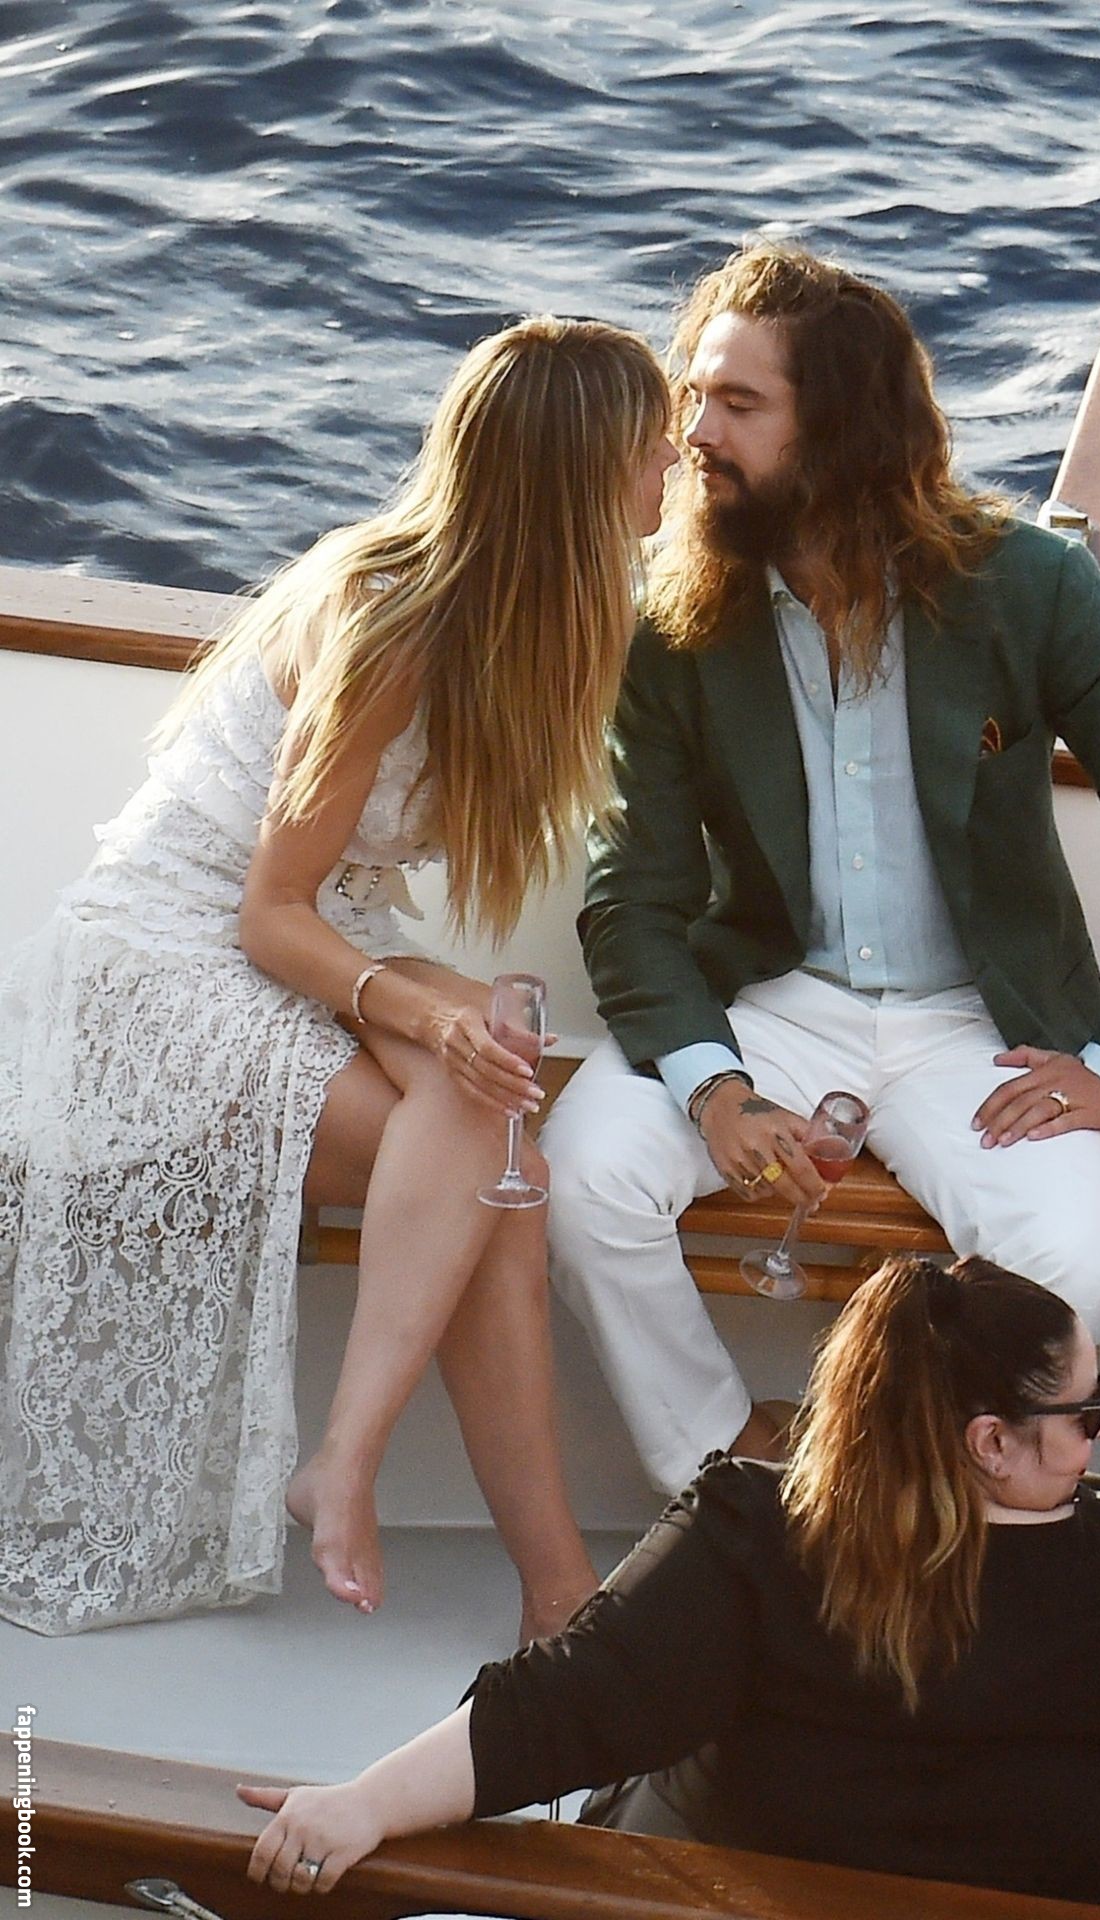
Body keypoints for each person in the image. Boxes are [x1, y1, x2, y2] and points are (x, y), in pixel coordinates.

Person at [540, 241, 1100, 1492]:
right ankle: (726, 1468)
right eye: (694, 396)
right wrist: (713, 1088)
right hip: (770, 1003)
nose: (693, 433)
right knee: (583, 1175)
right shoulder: (671, 622)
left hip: (979, 1028)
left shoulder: (1023, 586)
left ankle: (880, 1496)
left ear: (840, 430)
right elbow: (631, 895)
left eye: (737, 404)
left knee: (1068, 1276)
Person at [0, 315, 677, 1636]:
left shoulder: (553, 614)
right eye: (655, 448)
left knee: (492, 1109)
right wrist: (420, 1006)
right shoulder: (389, 620)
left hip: (318, 942)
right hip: (164, 958)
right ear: (585, 474)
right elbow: (267, 912)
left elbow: (332, 906)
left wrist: (433, 1005)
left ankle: (536, 1582)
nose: (673, 469)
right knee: (501, 1168)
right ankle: (418, 1510)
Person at [236, 1254, 1100, 1919]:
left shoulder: (751, 1531)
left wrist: (365, 1803)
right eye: (1088, 1412)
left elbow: (566, 1705)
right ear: (990, 1442)